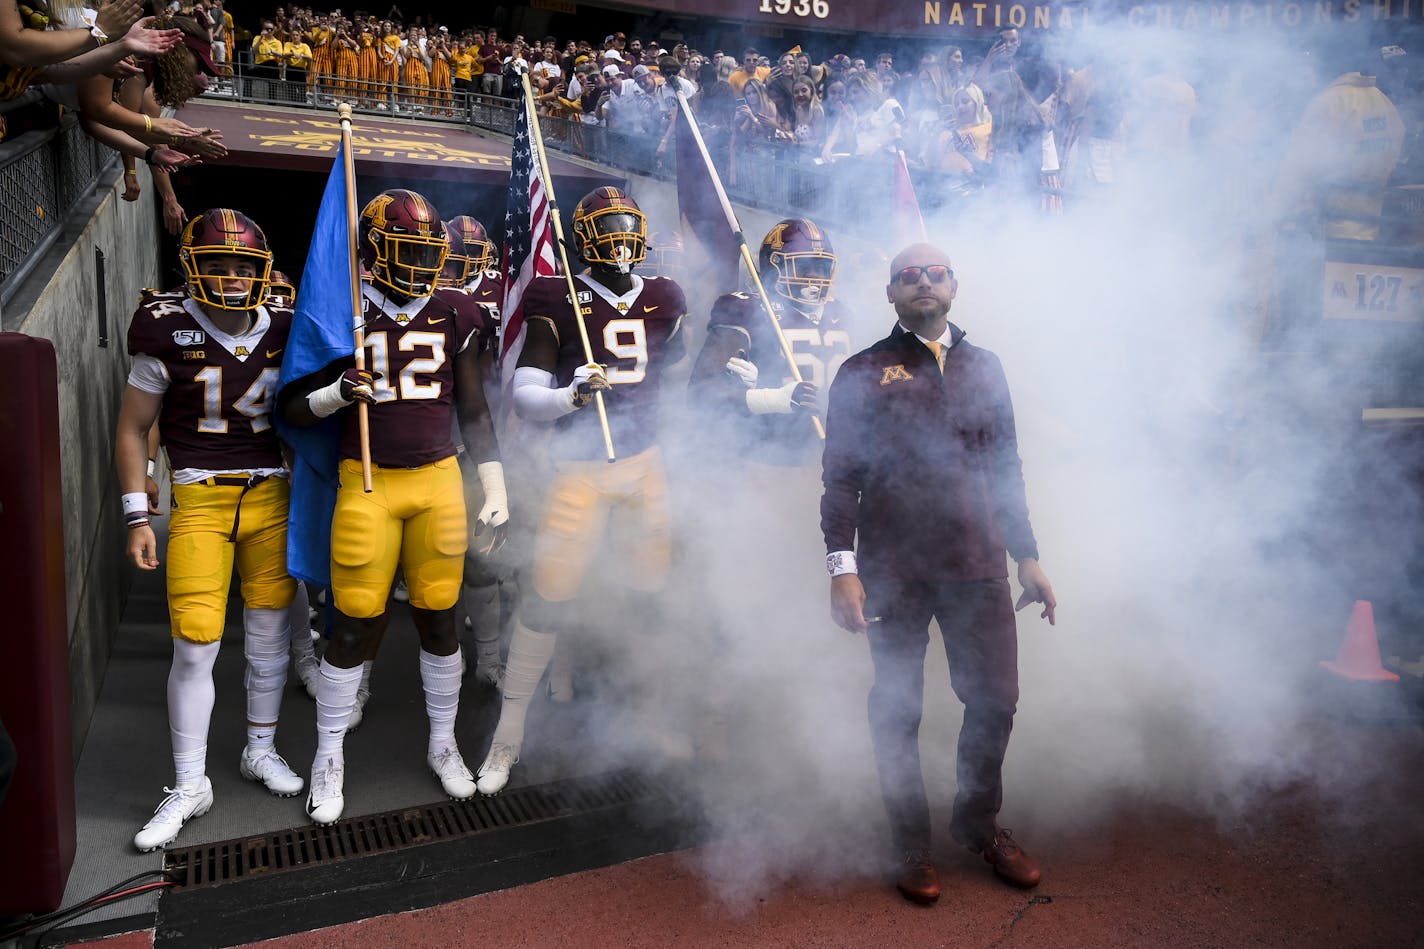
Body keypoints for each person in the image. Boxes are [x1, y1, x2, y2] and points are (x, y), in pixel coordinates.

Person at [820, 243, 1056, 905]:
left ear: (954, 285)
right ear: (892, 294)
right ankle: (910, 842)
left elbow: (1007, 466)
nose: (923, 282)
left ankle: (976, 822)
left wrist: (1027, 555)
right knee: (897, 708)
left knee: (996, 700)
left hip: (978, 563)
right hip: (894, 570)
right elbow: (840, 479)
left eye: (935, 272)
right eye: (908, 276)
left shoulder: (987, 367)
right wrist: (843, 567)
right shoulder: (861, 371)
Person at [278, 189, 509, 825]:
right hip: (369, 482)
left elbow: (473, 408)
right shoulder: (341, 306)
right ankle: (329, 755)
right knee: (352, 620)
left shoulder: (455, 309)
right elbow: (291, 410)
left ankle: (443, 742)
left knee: (439, 617)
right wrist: (336, 393)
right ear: (374, 253)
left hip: (437, 479)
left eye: (428, 252)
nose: (420, 264)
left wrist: (495, 485)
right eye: (405, 250)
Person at [475, 186, 687, 795]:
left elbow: (663, 368)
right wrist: (571, 396)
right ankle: (509, 732)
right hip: (580, 469)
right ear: (583, 237)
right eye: (607, 226)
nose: (621, 237)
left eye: (628, 225)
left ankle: (647, 714)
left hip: (645, 465)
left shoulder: (664, 298)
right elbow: (525, 396)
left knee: (650, 592)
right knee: (550, 594)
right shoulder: (558, 298)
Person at [116, 209, 303, 851]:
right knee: (195, 642)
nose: (230, 276)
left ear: (263, 271)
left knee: (270, 633)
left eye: (243, 265)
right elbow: (132, 427)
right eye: (217, 263)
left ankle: (260, 747)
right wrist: (136, 513)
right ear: (190, 268)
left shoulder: (286, 324)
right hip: (200, 496)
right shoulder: (164, 327)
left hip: (272, 494)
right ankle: (190, 783)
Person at [438, 214, 509, 688]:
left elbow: (483, 386)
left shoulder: (486, 299)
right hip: (410, 446)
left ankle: (487, 658)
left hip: (468, 434)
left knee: (479, 557)